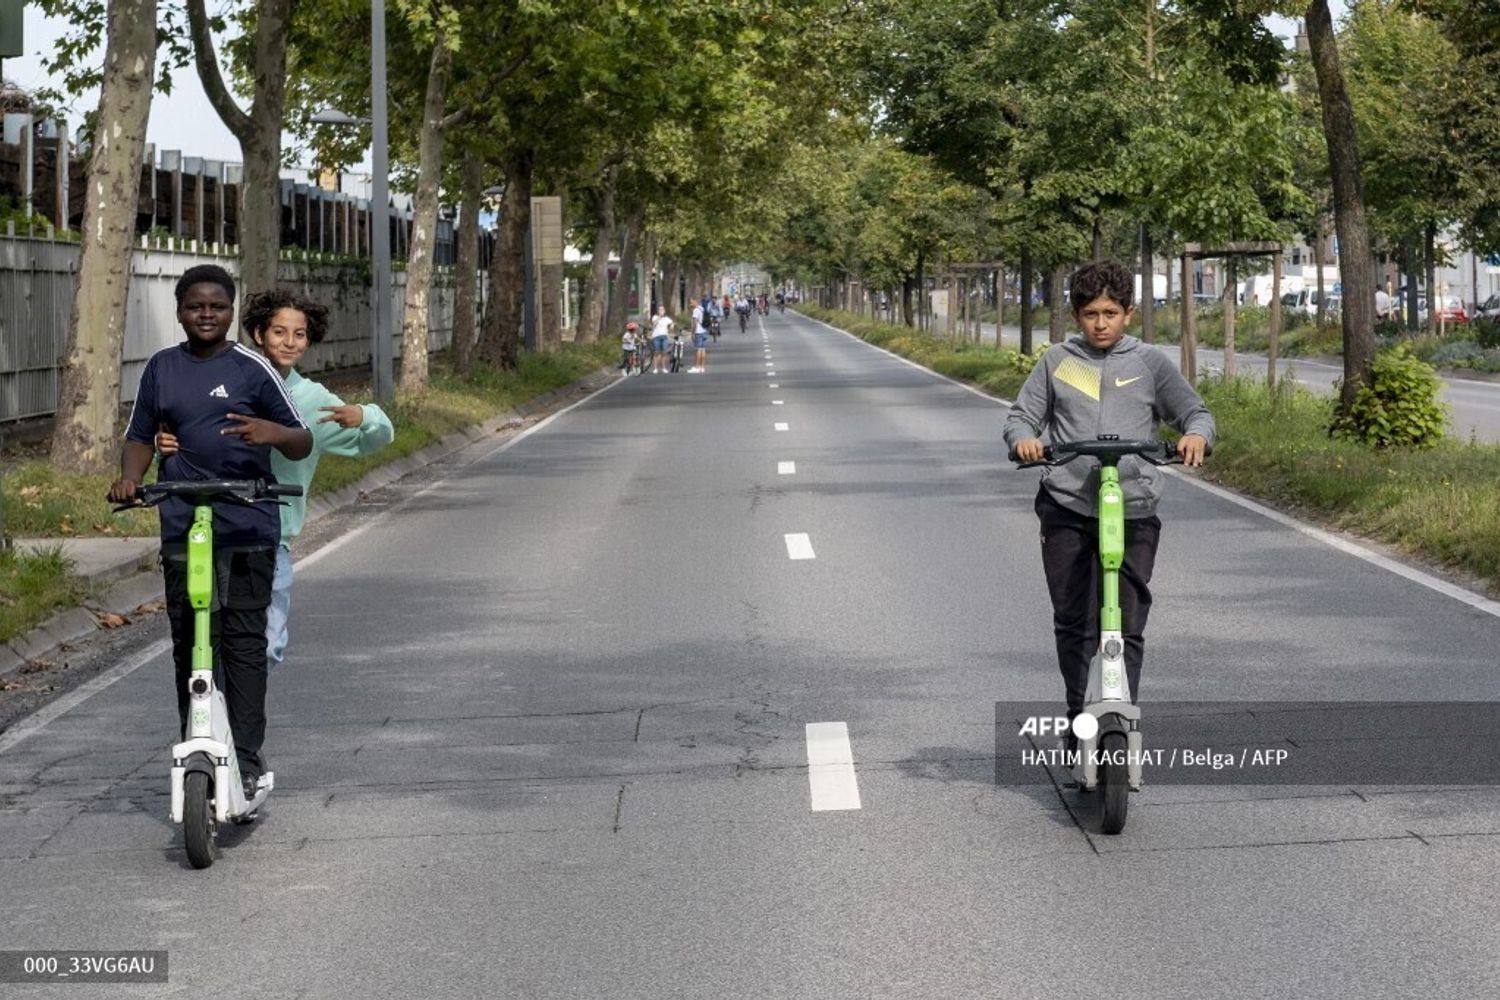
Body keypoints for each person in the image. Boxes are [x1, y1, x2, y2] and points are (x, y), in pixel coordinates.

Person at [109, 264, 312, 800]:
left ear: (230, 311)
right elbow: (139, 436)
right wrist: (130, 478)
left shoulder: (252, 368)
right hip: (182, 522)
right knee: (190, 642)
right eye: (195, 306)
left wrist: (273, 432)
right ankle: (197, 740)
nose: (206, 314)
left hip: (246, 524)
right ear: (179, 311)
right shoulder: (160, 368)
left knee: (244, 642)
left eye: (217, 306)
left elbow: (301, 439)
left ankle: (244, 757)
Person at [1003, 259, 1213, 744]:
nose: (1101, 324)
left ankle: (1120, 715)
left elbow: (1195, 412)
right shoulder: (1058, 361)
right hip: (1068, 505)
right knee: (1074, 619)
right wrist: (1024, 441)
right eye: (1091, 313)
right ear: (1076, 314)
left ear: (1129, 313)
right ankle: (1080, 717)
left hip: (1133, 506)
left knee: (1127, 623)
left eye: (1111, 313)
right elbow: (1021, 418)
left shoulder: (1149, 363)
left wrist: (1197, 436)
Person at [156, 289, 395, 673]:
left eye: (299, 334)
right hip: (210, 533)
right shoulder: (223, 383)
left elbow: (376, 440)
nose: (289, 342)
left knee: (264, 644)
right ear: (258, 334)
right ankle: (209, 722)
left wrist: (365, 414)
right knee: (203, 645)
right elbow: (183, 436)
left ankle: (237, 721)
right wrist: (160, 443)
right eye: (279, 332)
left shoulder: (313, 400)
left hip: (271, 542)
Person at [649, 307, 674, 374]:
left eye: (662, 310)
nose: (661, 311)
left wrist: (672, 325)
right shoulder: (655, 317)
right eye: (660, 310)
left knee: (664, 353)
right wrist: (659, 317)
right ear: (658, 311)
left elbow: (672, 323)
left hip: (664, 337)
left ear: (664, 311)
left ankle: (663, 368)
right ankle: (655, 368)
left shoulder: (666, 319)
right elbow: (654, 324)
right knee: (656, 353)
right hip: (656, 337)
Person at [689, 298, 710, 373]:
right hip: (703, 331)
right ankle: (702, 367)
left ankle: (697, 367)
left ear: (696, 301)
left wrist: (693, 332)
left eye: (691, 302)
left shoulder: (695, 310)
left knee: (697, 350)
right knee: (703, 349)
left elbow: (694, 323)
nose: (690, 304)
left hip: (698, 332)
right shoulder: (702, 308)